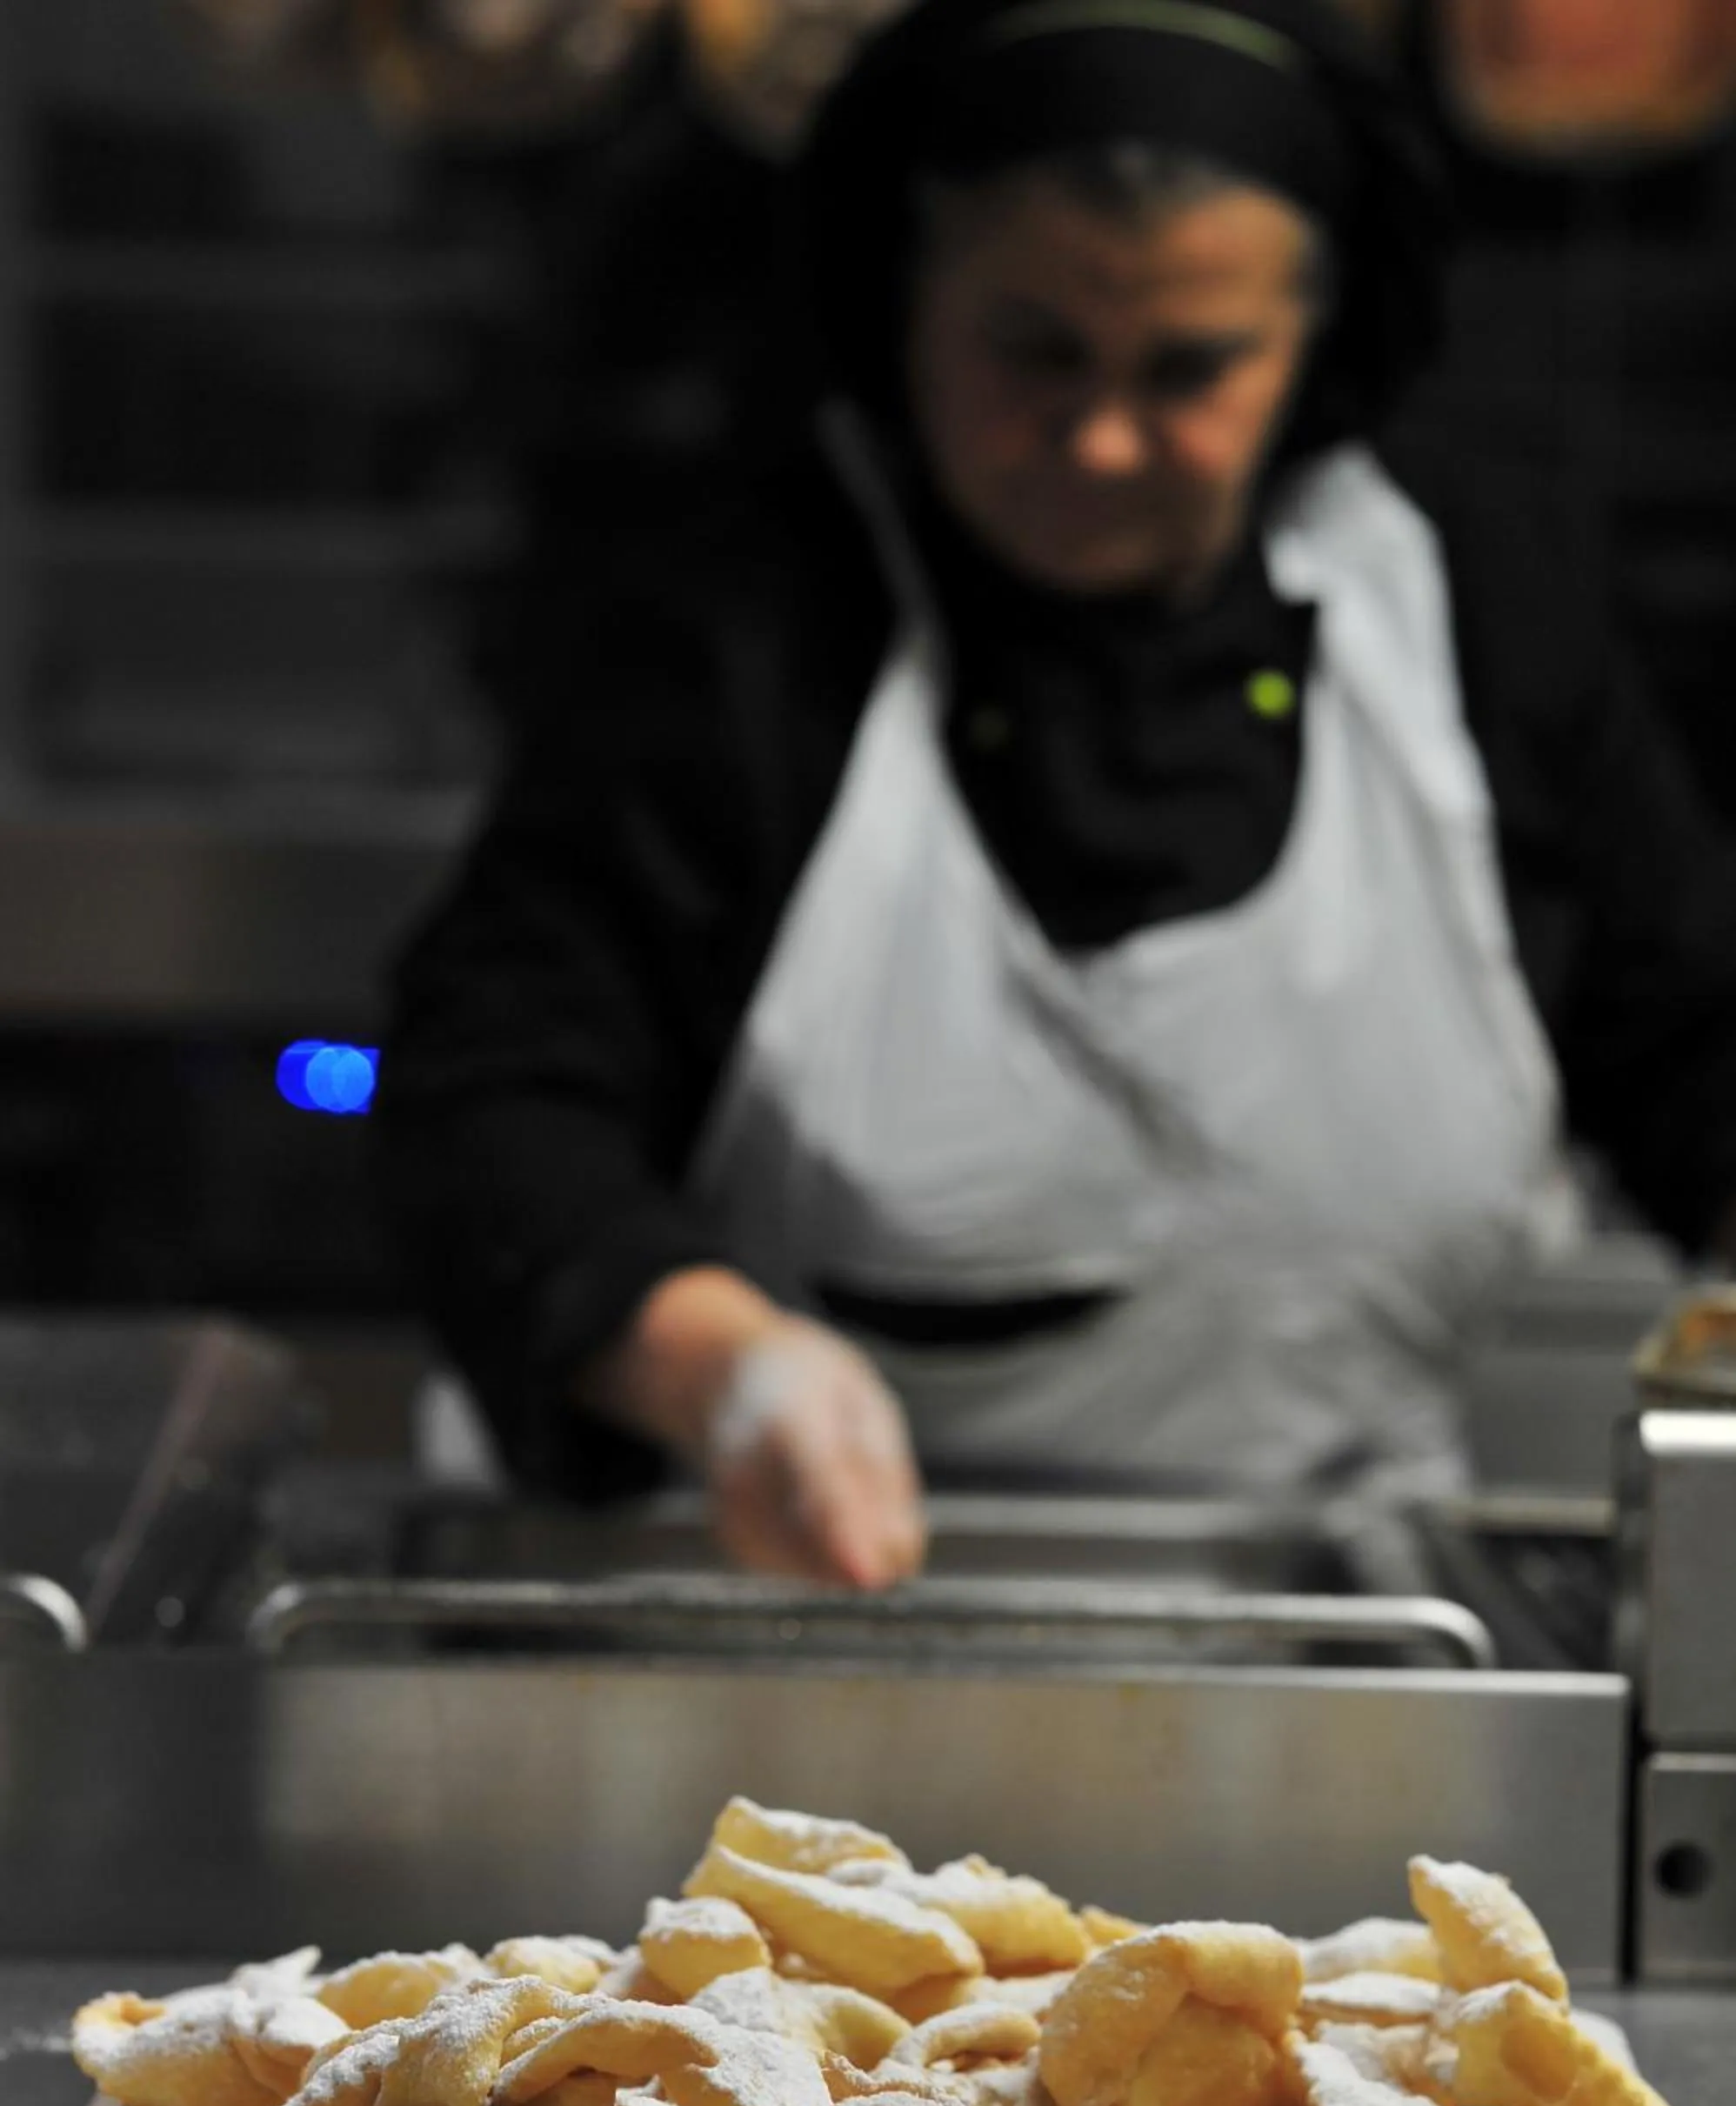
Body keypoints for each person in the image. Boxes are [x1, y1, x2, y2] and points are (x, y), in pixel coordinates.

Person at [377, 0, 1736, 1588]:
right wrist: (714, 1362)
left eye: (1191, 369)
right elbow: (497, 1095)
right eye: (1031, 351)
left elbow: (1694, 1033)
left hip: (1370, 1636)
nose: (1097, 442)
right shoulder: (746, 634)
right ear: (911, 300)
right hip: (788, 1614)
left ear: (1311, 340)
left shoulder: (1468, 612)